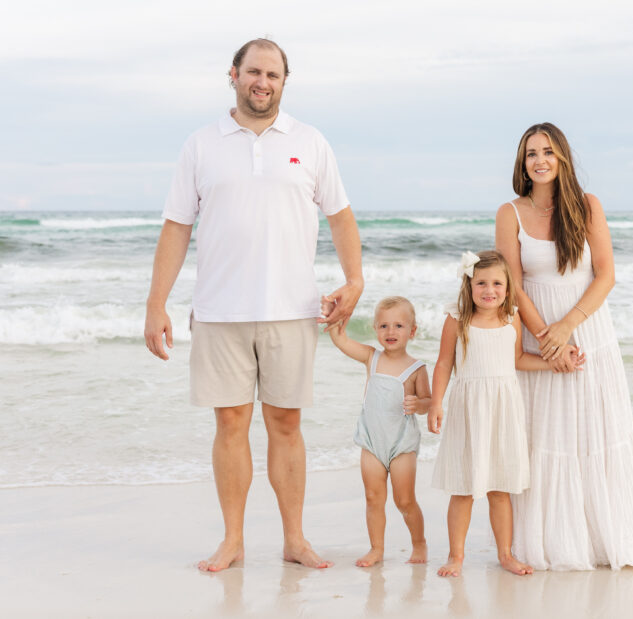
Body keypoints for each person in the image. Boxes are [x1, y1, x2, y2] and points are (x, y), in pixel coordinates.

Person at [143, 38, 363, 572]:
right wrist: (156, 304)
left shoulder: (310, 142)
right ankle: (233, 540)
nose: (262, 82)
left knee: (287, 423)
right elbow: (176, 226)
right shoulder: (201, 144)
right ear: (234, 75)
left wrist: (354, 281)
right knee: (230, 423)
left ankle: (294, 539)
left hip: (292, 307)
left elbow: (340, 215)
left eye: (273, 74)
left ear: (284, 82)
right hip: (220, 309)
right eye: (253, 72)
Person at [495, 122, 633, 570]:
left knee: (596, 432)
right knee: (548, 435)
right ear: (522, 163)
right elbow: (513, 286)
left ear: (562, 157)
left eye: (547, 151)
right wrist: (548, 338)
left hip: (588, 331)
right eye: (531, 154)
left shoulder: (587, 206)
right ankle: (554, 543)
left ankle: (605, 538)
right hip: (539, 331)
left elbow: (605, 274)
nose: (539, 160)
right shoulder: (509, 213)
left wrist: (568, 327)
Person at [427, 250, 583, 578]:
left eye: (497, 283)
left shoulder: (511, 316)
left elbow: (518, 359)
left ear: (508, 287)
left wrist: (553, 363)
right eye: (481, 282)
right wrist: (436, 403)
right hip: (468, 411)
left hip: (502, 410)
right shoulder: (457, 319)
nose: (490, 290)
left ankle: (506, 554)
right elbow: (444, 363)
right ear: (469, 286)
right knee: (464, 487)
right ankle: (456, 556)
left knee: (500, 488)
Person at [327, 296, 431, 567]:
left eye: (398, 325)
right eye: (383, 326)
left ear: (412, 331)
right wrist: (335, 320)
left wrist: (418, 403)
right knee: (374, 498)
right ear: (375, 330)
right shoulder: (371, 358)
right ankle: (376, 549)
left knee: (405, 500)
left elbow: (429, 403)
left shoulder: (416, 368)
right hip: (372, 442)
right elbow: (341, 342)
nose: (391, 332)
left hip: (401, 445)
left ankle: (419, 543)